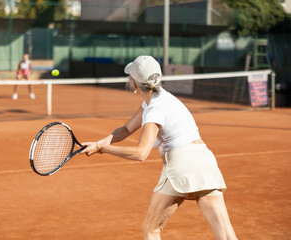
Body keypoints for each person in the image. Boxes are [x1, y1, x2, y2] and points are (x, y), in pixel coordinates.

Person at [80, 56, 238, 240]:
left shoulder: (154, 110)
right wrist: (102, 141)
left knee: (151, 228)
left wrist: (102, 149)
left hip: (182, 164)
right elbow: (126, 129)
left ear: (134, 84)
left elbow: (141, 153)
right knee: (225, 233)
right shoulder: (161, 99)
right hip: (204, 161)